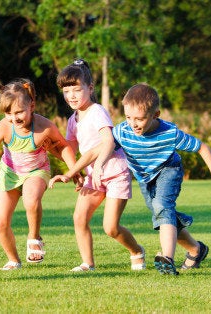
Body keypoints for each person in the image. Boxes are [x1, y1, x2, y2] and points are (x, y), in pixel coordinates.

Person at [97, 83, 211, 275]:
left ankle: (167, 258)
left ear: (155, 115)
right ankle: (196, 249)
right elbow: (107, 145)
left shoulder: (170, 133)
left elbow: (203, 147)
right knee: (164, 216)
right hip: (145, 178)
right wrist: (95, 165)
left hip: (169, 170)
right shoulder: (123, 131)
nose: (133, 124)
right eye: (128, 117)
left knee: (162, 206)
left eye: (140, 119)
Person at [0, 78, 79, 271]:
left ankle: (34, 237)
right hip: (10, 174)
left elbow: (63, 148)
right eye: (8, 113)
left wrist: (74, 171)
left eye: (19, 112)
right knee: (0, 222)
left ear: (32, 105)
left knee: (31, 200)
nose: (15, 118)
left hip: (37, 172)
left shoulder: (44, 126)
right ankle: (13, 260)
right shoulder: (4, 128)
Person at [48, 59, 146, 272]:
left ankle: (137, 251)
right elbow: (70, 150)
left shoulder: (97, 111)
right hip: (94, 175)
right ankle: (87, 263)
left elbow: (108, 141)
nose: (71, 95)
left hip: (115, 172)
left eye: (76, 89)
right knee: (79, 217)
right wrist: (68, 168)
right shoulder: (73, 119)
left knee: (110, 228)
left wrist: (99, 164)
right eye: (66, 91)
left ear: (90, 88)